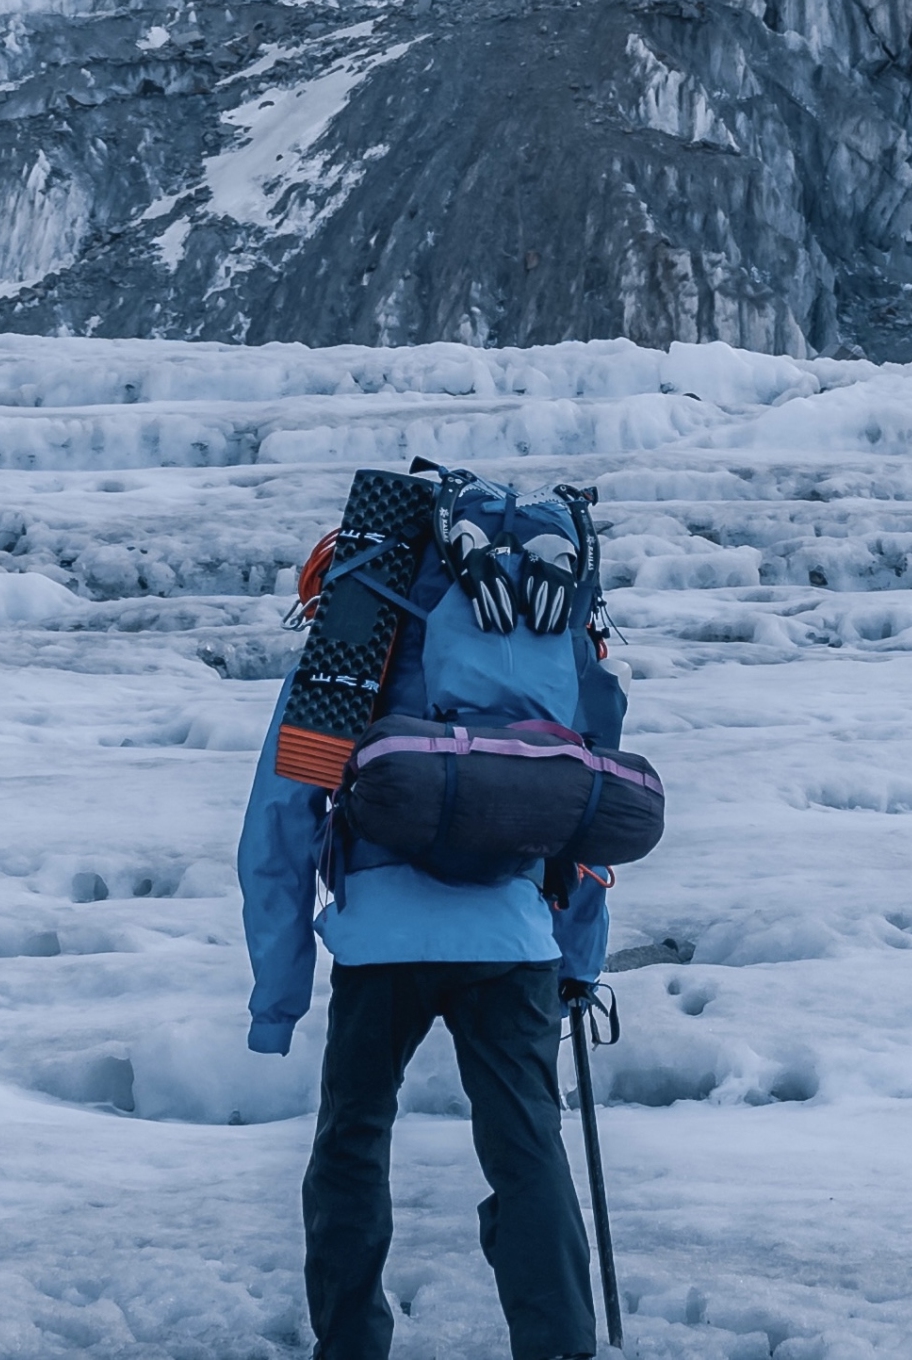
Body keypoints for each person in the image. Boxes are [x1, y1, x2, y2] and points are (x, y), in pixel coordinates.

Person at [238, 470, 618, 1360]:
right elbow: (584, 811)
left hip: (381, 939)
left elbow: (280, 823)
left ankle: (352, 1344)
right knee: (528, 1151)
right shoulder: (553, 636)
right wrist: (576, 963)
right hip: (514, 934)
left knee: (352, 1144)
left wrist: (278, 997)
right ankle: (560, 1345)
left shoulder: (357, 636)